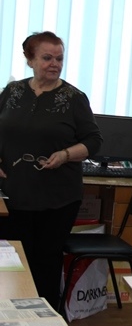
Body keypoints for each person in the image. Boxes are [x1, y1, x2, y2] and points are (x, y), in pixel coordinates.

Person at [0, 31, 102, 311]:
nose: (54, 64)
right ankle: (12, 317)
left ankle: (46, 320)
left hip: (56, 198)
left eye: (59, 58)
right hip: (13, 195)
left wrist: (66, 155)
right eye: (47, 58)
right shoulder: (12, 91)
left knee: (45, 261)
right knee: (13, 261)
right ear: (29, 60)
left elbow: (94, 141)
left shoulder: (74, 98)